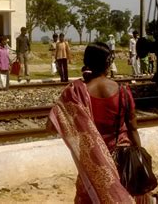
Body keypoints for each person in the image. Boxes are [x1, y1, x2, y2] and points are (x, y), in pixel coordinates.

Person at [47, 42, 144, 203]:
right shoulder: (122, 91)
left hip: (91, 162)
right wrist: (139, 154)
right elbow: (133, 128)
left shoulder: (76, 92)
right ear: (108, 63)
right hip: (120, 159)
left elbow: (51, 126)